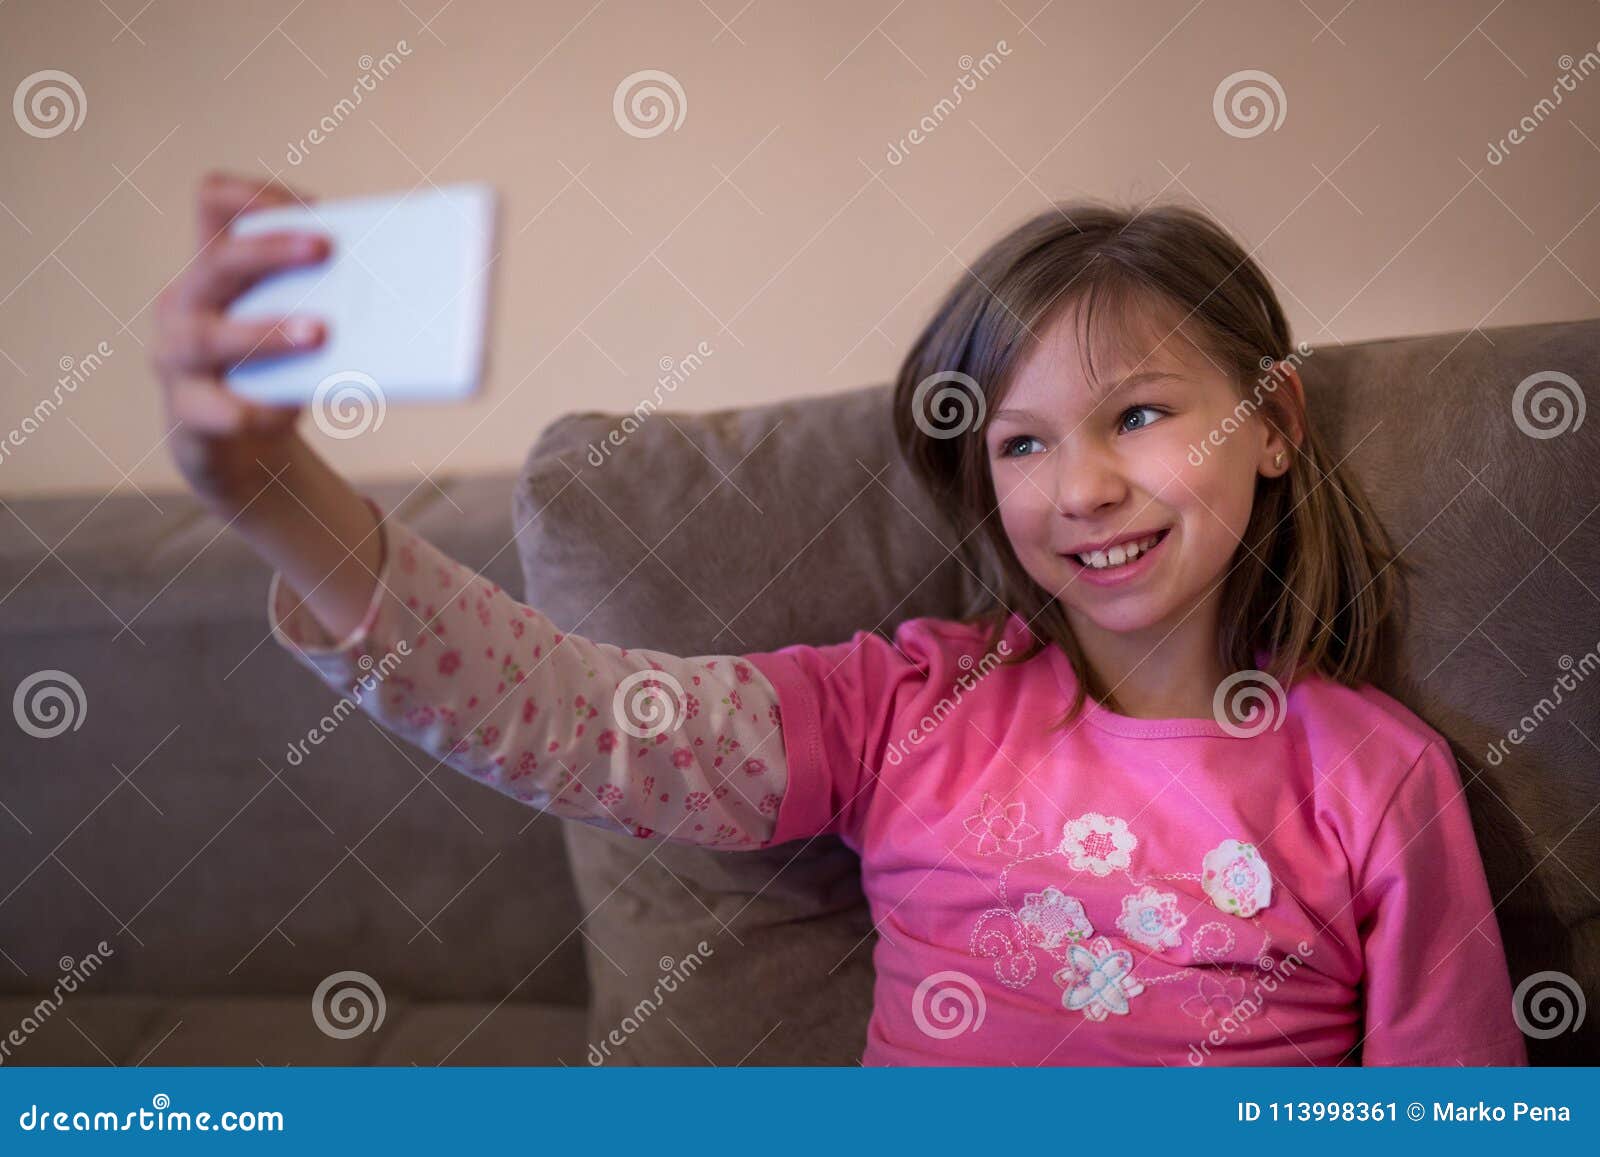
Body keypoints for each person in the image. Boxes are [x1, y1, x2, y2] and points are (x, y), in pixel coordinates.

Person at [149, 172, 1528, 1067]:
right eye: (1023, 443)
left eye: (1142, 413)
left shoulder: (1373, 776)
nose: (1085, 486)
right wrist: (276, 495)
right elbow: (574, 725)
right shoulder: (907, 707)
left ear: (1271, 421)